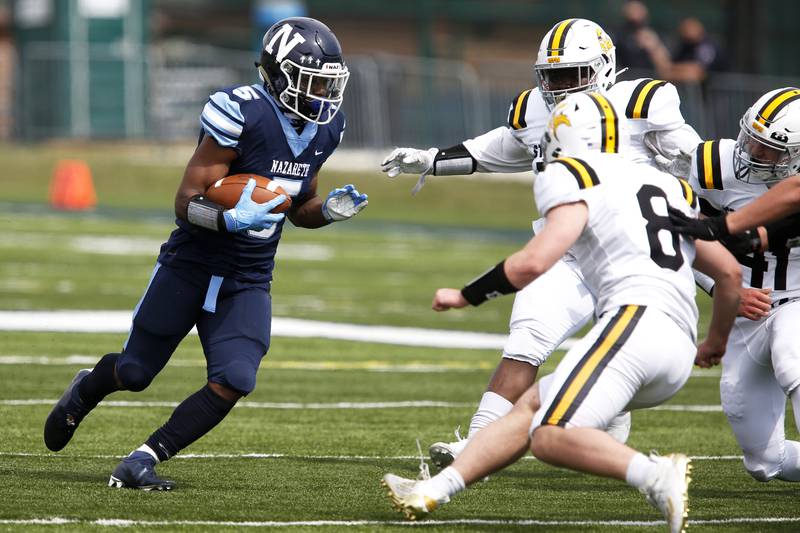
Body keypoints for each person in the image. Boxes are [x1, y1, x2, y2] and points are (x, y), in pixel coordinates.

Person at [382, 92, 742, 533]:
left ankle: (655, 475)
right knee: (531, 405)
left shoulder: (573, 174)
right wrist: (715, 342)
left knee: (550, 435)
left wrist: (466, 295)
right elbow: (727, 273)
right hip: (676, 347)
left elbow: (536, 260)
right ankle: (433, 492)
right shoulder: (668, 185)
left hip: (634, 327)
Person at [42, 17, 368, 490]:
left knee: (236, 377)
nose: (321, 96)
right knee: (134, 373)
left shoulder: (325, 129)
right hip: (191, 265)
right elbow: (186, 202)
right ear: (278, 75)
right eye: (311, 82)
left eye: (327, 85)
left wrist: (329, 211)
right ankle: (87, 386)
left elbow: (299, 208)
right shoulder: (241, 112)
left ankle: (142, 458)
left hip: (248, 275)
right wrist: (229, 220)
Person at [381, 17, 703, 468]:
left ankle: (608, 418)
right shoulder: (534, 109)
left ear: (604, 67)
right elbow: (498, 149)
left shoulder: (645, 100)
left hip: (632, 253)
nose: (561, 88)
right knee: (525, 342)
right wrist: (432, 160)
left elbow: (697, 162)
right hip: (567, 254)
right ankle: (475, 444)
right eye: (552, 77)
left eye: (573, 75)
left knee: (635, 348)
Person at [670, 89, 800, 482]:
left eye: (768, 151)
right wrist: (724, 290)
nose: (752, 155)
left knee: (792, 358)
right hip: (744, 312)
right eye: (750, 141)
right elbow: (686, 244)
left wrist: (751, 234)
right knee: (765, 462)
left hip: (797, 296)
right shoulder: (713, 165)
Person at [670, 88, 800, 240]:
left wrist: (724, 229)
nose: (755, 150)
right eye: (752, 137)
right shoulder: (719, 164)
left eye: (768, 146)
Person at [637, 17, 729, 84]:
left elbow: (697, 72)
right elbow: (668, 66)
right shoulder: (685, 45)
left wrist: (672, 71)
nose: (685, 33)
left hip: (717, 96)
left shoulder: (707, 46)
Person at [613, 1, 656, 71]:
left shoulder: (651, 34)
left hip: (647, 75)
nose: (635, 15)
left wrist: (653, 48)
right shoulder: (619, 34)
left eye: (637, 10)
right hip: (625, 75)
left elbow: (663, 66)